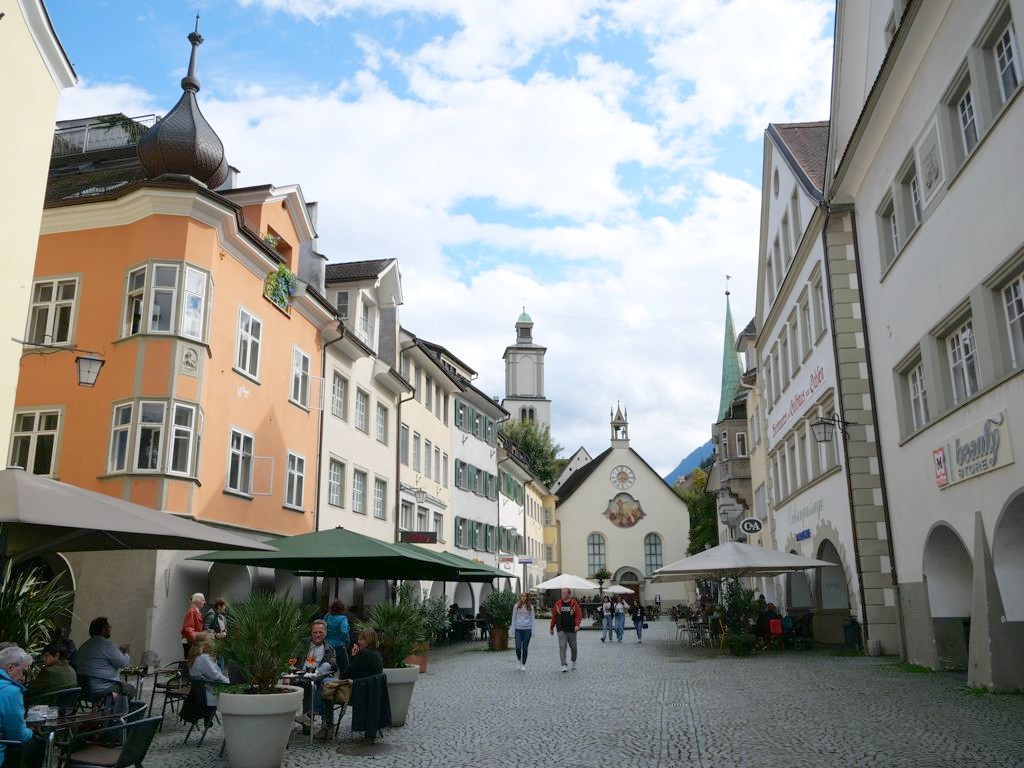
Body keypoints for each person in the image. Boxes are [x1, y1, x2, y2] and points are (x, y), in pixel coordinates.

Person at [316, 628, 384, 741]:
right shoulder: (377, 654)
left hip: (358, 693)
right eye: (359, 639)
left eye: (362, 639)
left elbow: (344, 675)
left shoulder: (363, 654)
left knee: (326, 691)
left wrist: (353, 656)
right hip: (370, 693)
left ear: (369, 640)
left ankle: (327, 727)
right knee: (327, 684)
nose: (359, 642)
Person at [72, 617, 135, 699]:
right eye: (108, 627)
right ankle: (120, 707)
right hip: (103, 688)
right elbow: (122, 663)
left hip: (84, 690)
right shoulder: (106, 644)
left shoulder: (84, 646)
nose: (110, 629)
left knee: (124, 688)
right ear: (103, 629)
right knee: (130, 689)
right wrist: (126, 653)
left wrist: (119, 652)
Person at [295, 620, 337, 732]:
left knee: (318, 685)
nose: (317, 635)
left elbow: (332, 664)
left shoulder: (329, 648)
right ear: (311, 633)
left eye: (320, 632)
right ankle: (309, 718)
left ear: (325, 633)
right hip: (299, 676)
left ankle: (309, 717)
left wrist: (318, 671)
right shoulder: (303, 644)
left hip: (317, 677)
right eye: (315, 632)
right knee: (312, 685)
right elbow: (292, 658)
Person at [0, 646, 37, 766]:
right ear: (11, 667)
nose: (23, 678)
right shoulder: (11, 691)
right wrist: (31, 731)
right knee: (37, 742)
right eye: (24, 672)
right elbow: (18, 735)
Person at [188, 631, 228, 708]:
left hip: (198, 696)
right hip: (209, 695)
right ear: (208, 644)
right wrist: (229, 682)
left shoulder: (194, 657)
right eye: (213, 641)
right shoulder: (204, 658)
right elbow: (216, 676)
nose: (215, 644)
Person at [549, 587, 581, 672]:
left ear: (569, 594)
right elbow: (554, 616)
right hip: (561, 628)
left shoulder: (574, 604)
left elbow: (578, 615)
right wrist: (551, 627)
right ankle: (563, 664)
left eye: (564, 593)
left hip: (572, 629)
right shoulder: (558, 604)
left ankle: (573, 661)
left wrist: (577, 625)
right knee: (562, 646)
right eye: (562, 593)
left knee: (573, 647)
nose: (562, 595)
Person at [510, 592, 535, 672]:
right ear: (520, 597)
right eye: (522, 596)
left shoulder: (530, 607)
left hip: (527, 629)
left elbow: (532, 619)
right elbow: (514, 618)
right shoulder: (516, 606)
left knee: (525, 648)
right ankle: (519, 660)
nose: (523, 597)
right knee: (518, 647)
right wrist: (513, 629)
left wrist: (533, 631)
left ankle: (523, 664)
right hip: (518, 629)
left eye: (524, 596)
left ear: (527, 597)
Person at [324, 599, 350, 671]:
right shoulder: (343, 619)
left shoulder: (327, 616)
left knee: (329, 666)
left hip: (327, 645)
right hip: (339, 646)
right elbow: (344, 632)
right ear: (342, 609)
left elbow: (323, 628)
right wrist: (347, 642)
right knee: (344, 667)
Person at [204, 598, 228, 670]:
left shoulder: (222, 616)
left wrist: (224, 632)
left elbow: (225, 628)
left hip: (220, 642)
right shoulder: (211, 615)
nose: (225, 607)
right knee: (213, 661)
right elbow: (205, 628)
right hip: (212, 642)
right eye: (224, 606)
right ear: (219, 606)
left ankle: (219, 675)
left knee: (220, 660)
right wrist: (216, 634)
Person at [181, 593, 206, 660]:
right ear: (197, 601)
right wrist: (196, 640)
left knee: (192, 661)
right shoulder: (192, 611)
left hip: (192, 642)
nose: (204, 602)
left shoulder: (195, 611)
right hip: (191, 643)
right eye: (203, 600)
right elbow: (188, 628)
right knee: (191, 662)